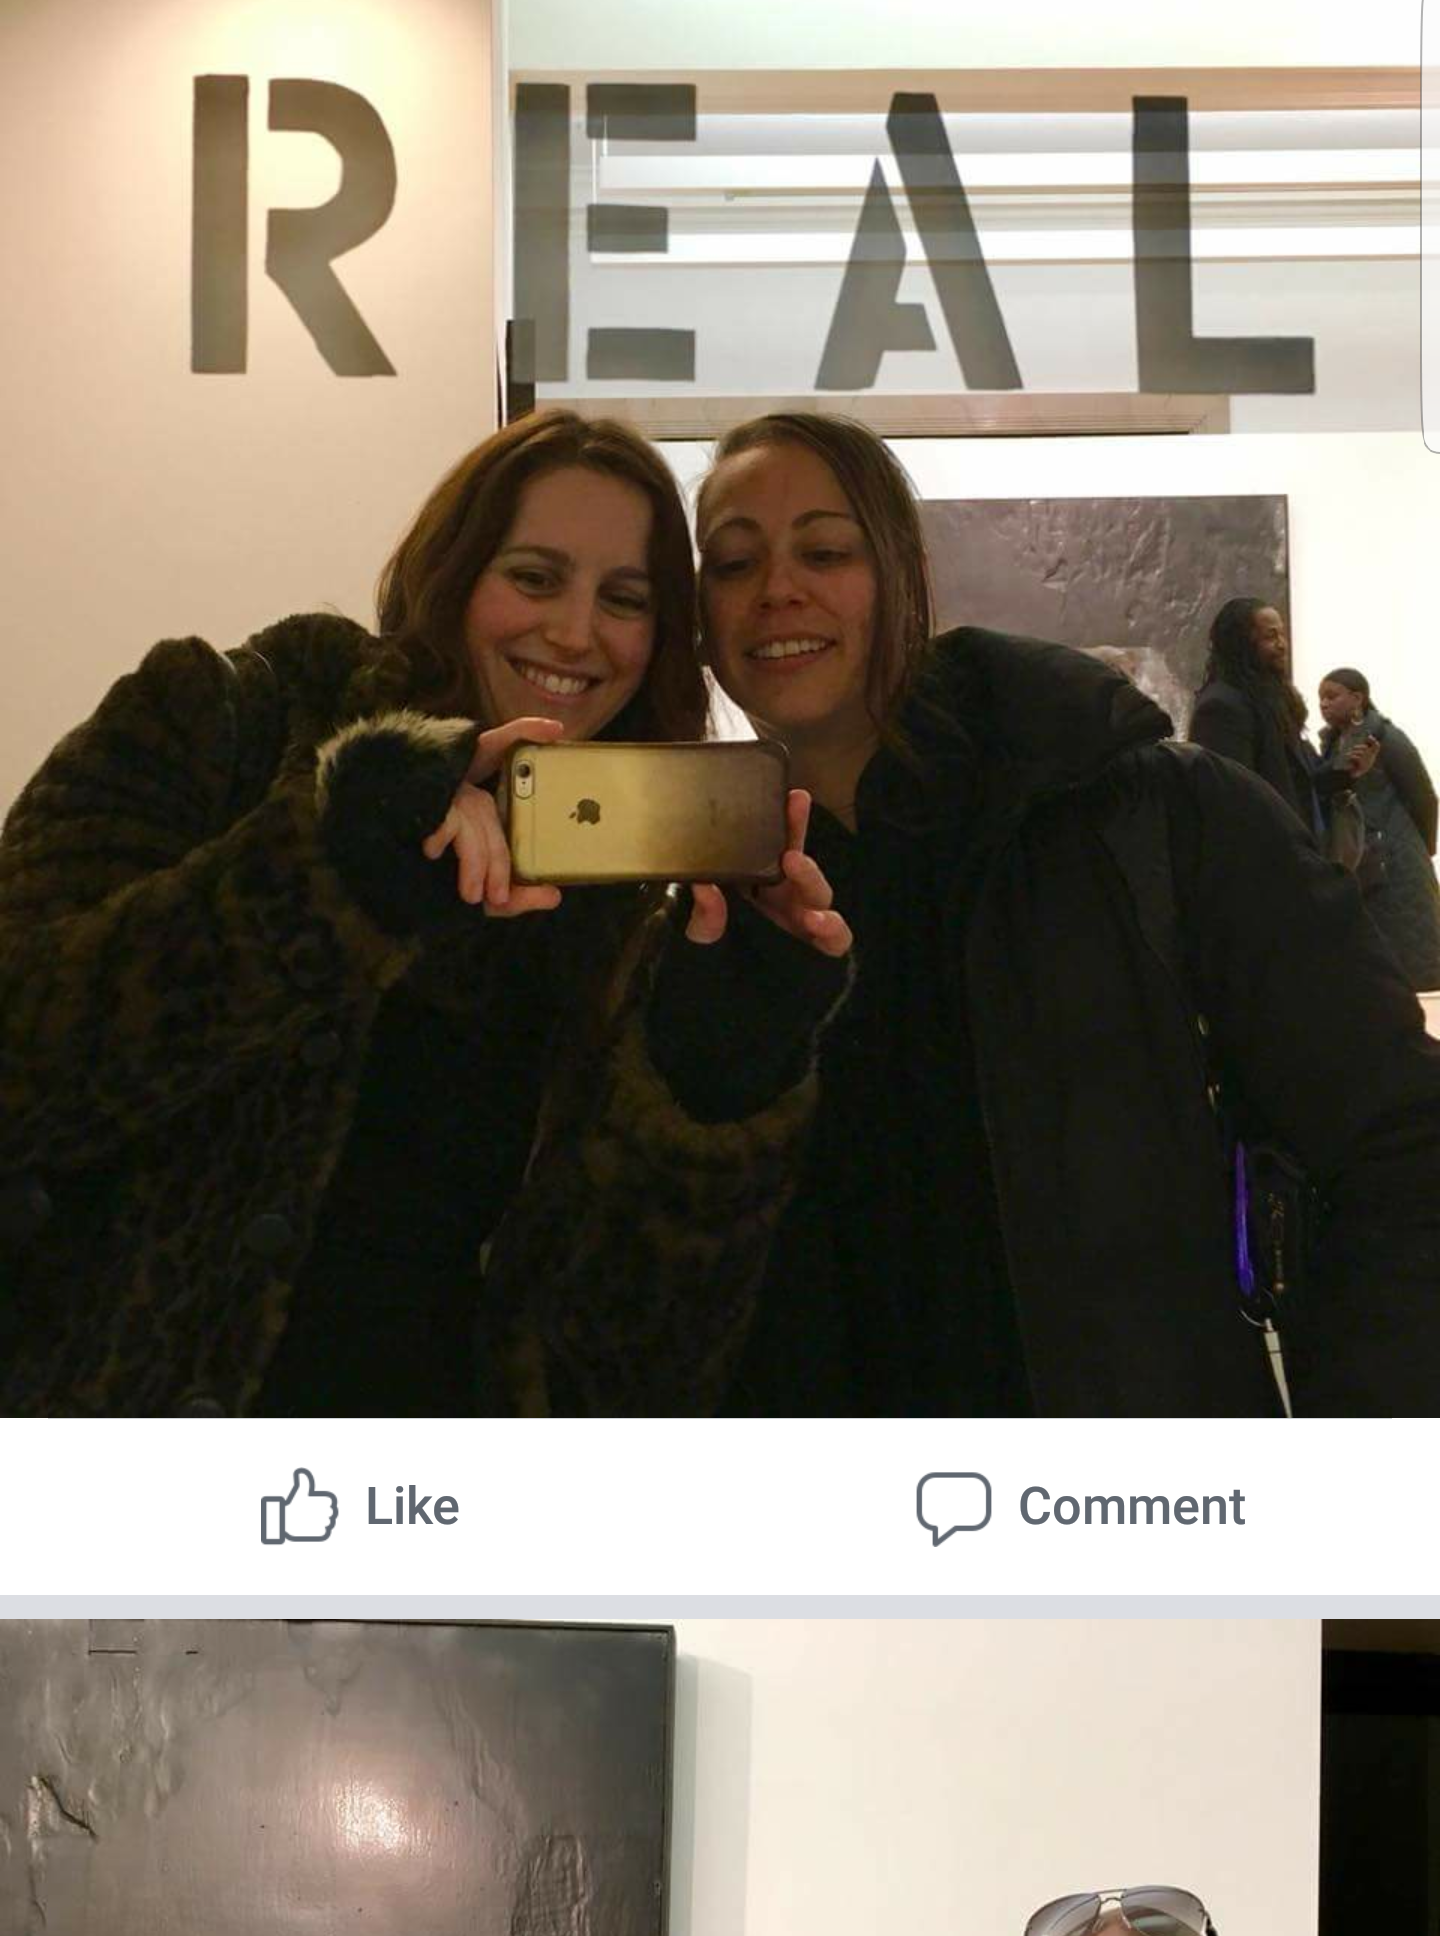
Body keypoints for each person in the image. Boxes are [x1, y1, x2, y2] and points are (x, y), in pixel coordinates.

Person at [515, 412, 1440, 1417]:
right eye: (734, 563)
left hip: (1119, 1489)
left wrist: (1363, 1455)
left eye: (826, 551)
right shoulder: (696, 908)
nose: (778, 588)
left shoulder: (1148, 813)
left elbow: (1395, 1140)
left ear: (903, 575)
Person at [0, 406, 844, 1417]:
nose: (575, 632)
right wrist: (334, 867)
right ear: (451, 575)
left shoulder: (622, 923)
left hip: (431, 1500)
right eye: (533, 577)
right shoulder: (220, 725)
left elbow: (625, 1367)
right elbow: (25, 1061)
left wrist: (721, 1071)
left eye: (625, 599)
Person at [1189, 596, 1374, 842]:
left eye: (1282, 635)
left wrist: (1346, 772)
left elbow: (1301, 782)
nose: (1282, 645)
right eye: (1271, 636)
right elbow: (1230, 801)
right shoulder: (1222, 707)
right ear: (1243, 644)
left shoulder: (1271, 702)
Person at [1319, 668, 1440, 991]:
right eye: (1321, 699)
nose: (1324, 704)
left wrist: (1419, 848)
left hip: (1395, 860)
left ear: (1357, 698)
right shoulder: (1331, 745)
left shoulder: (1386, 738)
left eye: (1332, 696)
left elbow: (1424, 797)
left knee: (1407, 957)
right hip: (1358, 859)